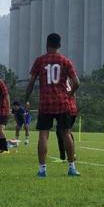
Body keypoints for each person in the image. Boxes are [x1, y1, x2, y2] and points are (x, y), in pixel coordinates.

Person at [24, 33, 80, 178]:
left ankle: (42, 169)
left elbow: (30, 83)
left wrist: (26, 98)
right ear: (59, 45)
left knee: (43, 135)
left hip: (45, 103)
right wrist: (69, 94)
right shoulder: (65, 61)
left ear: (47, 44)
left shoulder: (40, 61)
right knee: (66, 133)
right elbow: (77, 82)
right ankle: (72, 167)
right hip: (62, 102)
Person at [55, 93, 78, 162]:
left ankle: (63, 157)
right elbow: (74, 96)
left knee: (61, 132)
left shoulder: (62, 86)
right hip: (73, 110)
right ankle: (71, 155)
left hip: (66, 110)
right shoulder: (69, 85)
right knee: (67, 132)